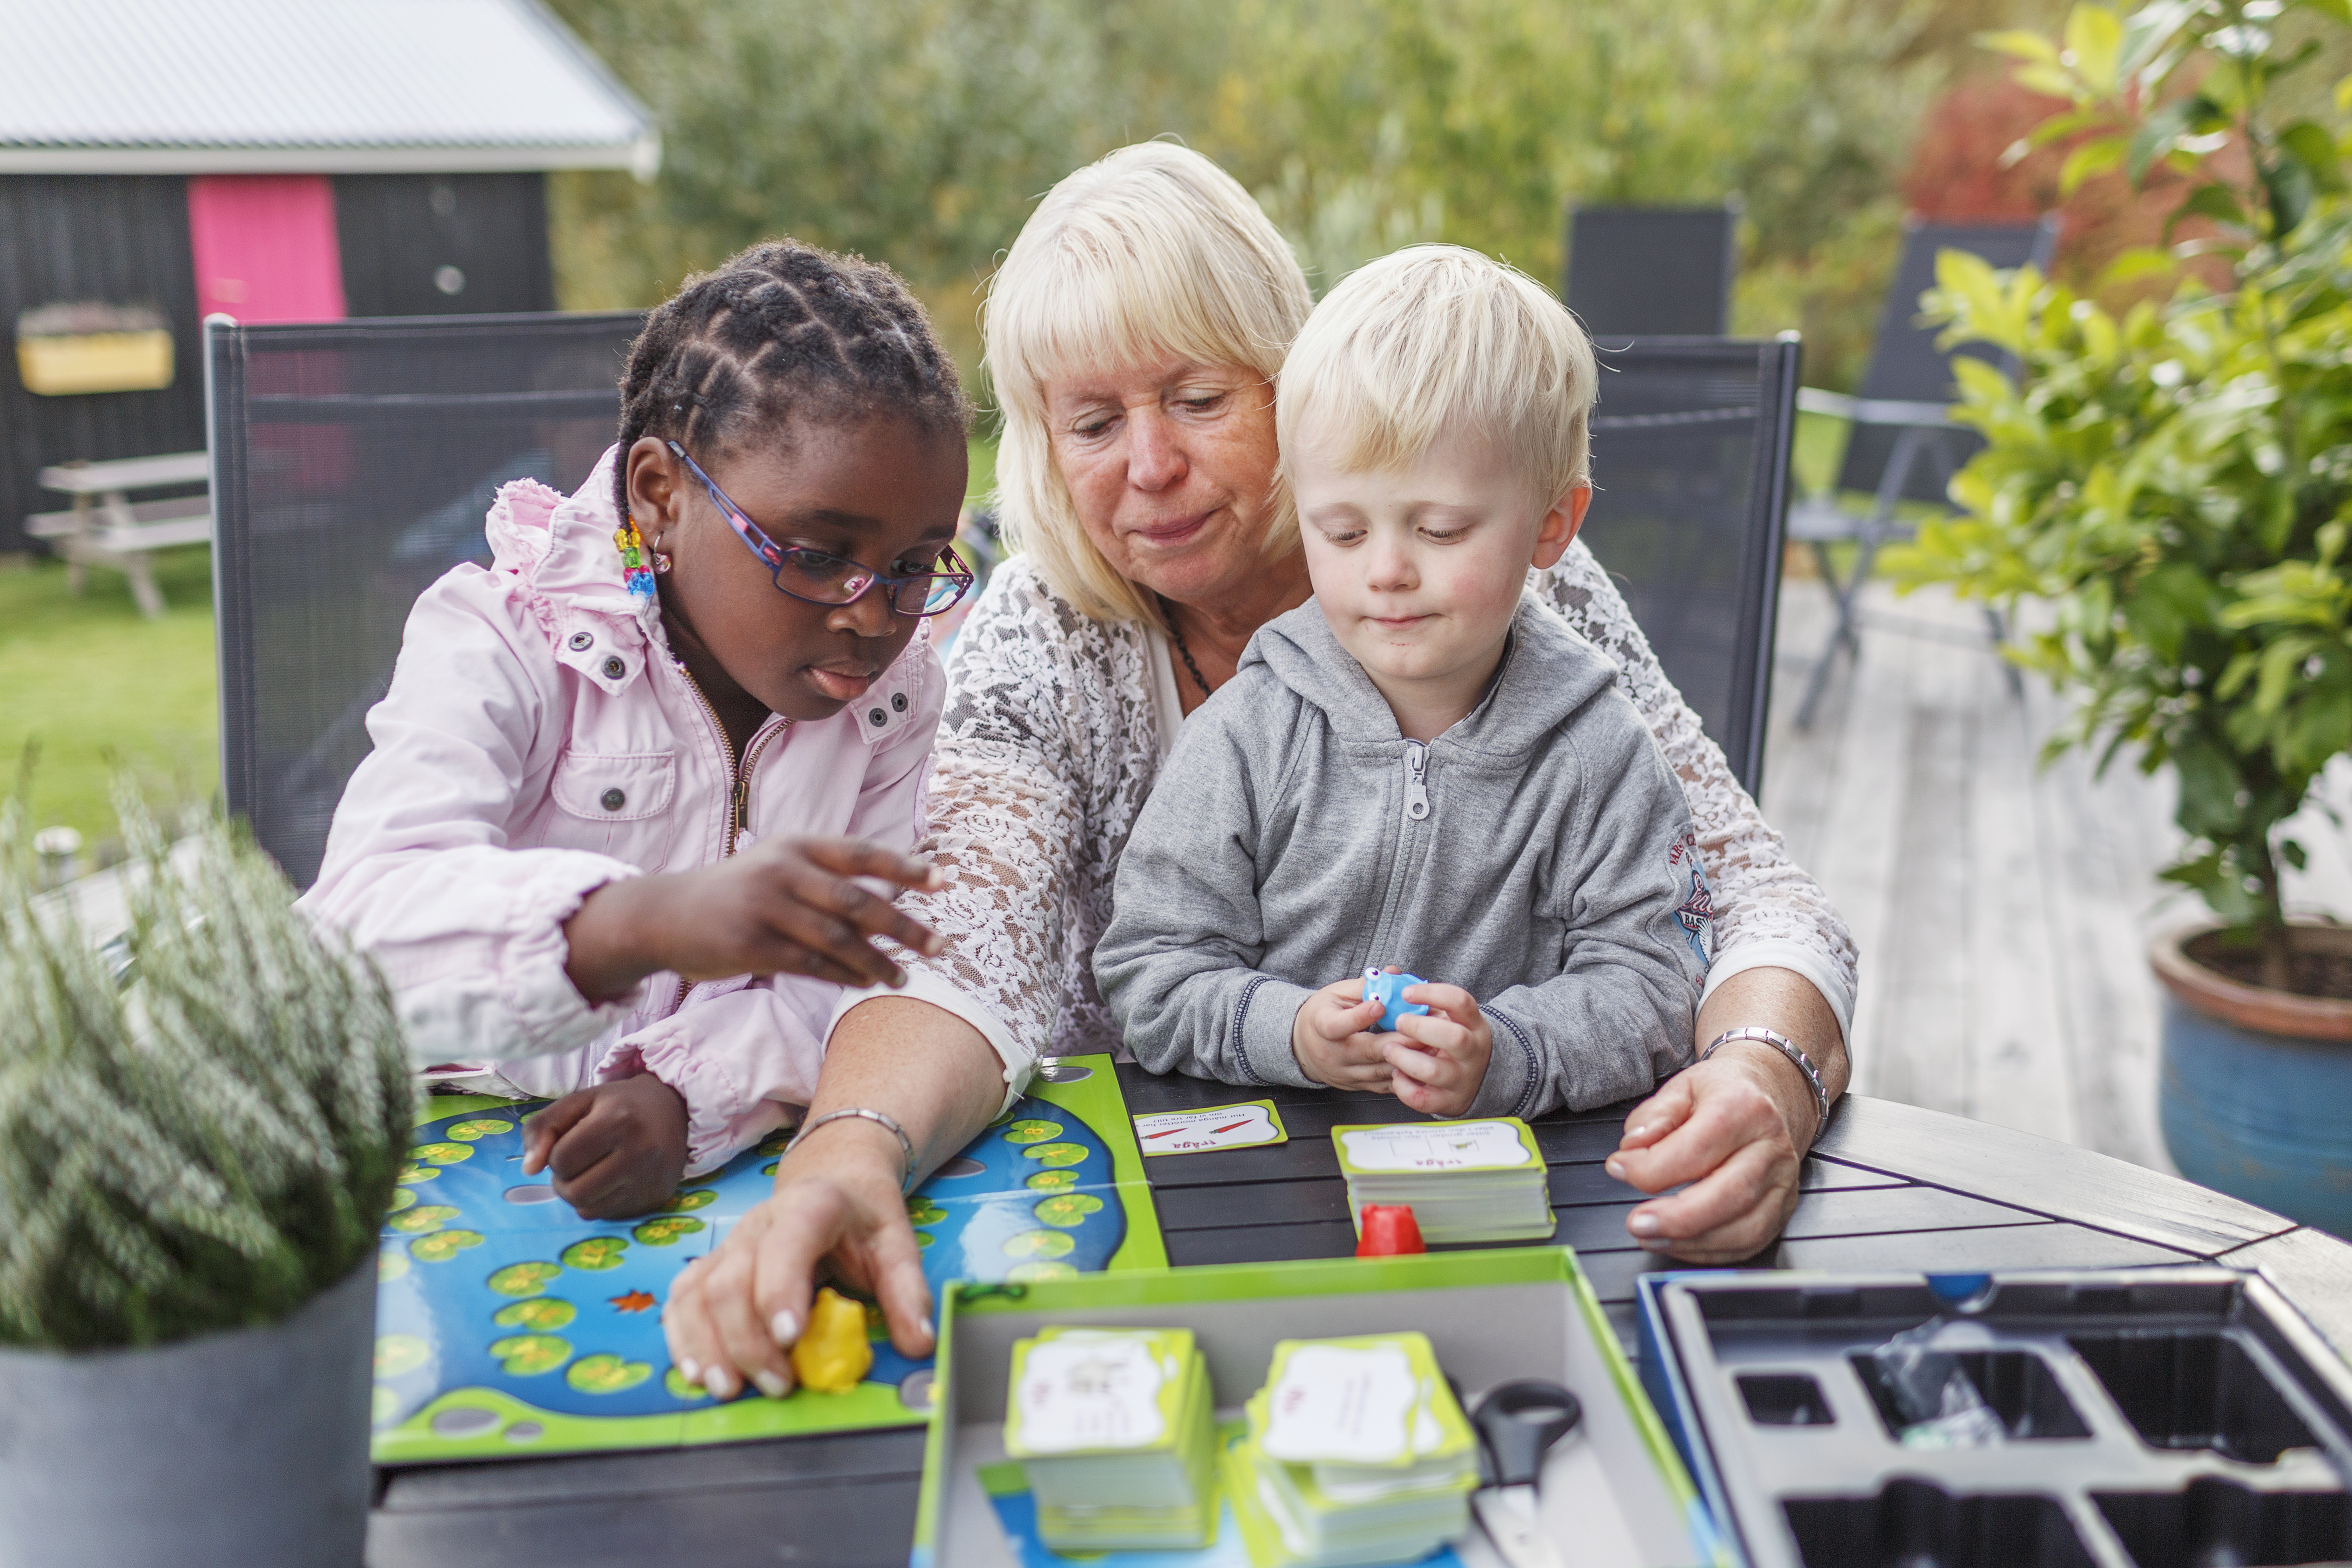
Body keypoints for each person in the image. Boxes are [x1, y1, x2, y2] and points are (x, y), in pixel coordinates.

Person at [663, 144, 1856, 1402]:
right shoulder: (1047, 629)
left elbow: (1750, 891)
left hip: (1503, 1219)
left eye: (1196, 396)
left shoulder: (1502, 576)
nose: (1149, 468)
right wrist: (847, 1158)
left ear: (1295, 389)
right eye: (1093, 421)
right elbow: (970, 943)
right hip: (1176, 1242)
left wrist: (1763, 1076)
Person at [299, 241, 972, 1245]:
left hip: (705, 1182)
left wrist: (682, 1094)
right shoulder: (504, 637)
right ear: (661, 495)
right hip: (436, 1166)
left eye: (916, 564)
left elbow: (840, 984)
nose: (875, 615)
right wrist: (635, 923)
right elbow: (350, 939)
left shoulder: (893, 696)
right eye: (820, 555)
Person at [1097, 245, 1708, 1118]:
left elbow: (1655, 981)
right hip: (1272, 1178)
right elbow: (1151, 968)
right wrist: (1293, 1030)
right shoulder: (1248, 735)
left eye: (1442, 529)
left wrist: (1509, 1050)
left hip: (1513, 1179)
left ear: (1551, 525)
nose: (1386, 570)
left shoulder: (1596, 751)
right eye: (1342, 532)